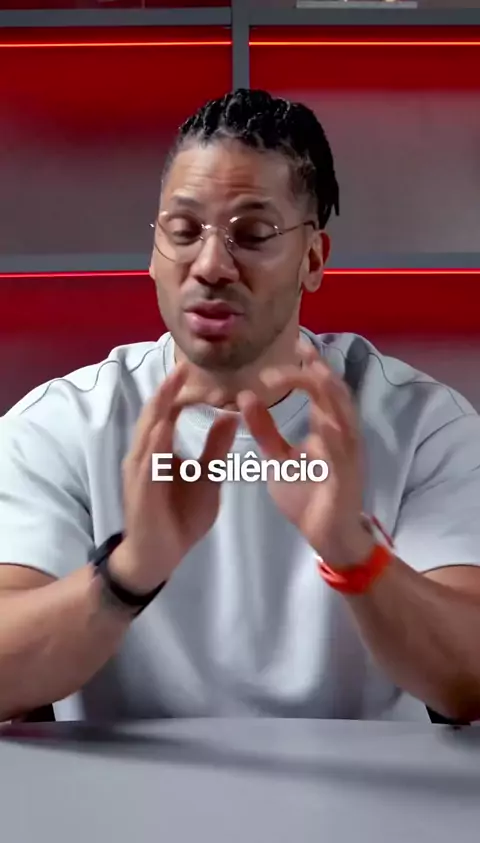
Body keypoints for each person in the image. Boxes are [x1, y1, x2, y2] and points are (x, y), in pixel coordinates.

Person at [1, 88, 480, 726]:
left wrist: (355, 555)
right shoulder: (61, 424)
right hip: (122, 791)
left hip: (364, 788)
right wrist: (129, 572)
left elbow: (470, 680)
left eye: (252, 234)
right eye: (183, 232)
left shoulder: (423, 425)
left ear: (313, 260)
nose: (211, 265)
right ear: (154, 254)